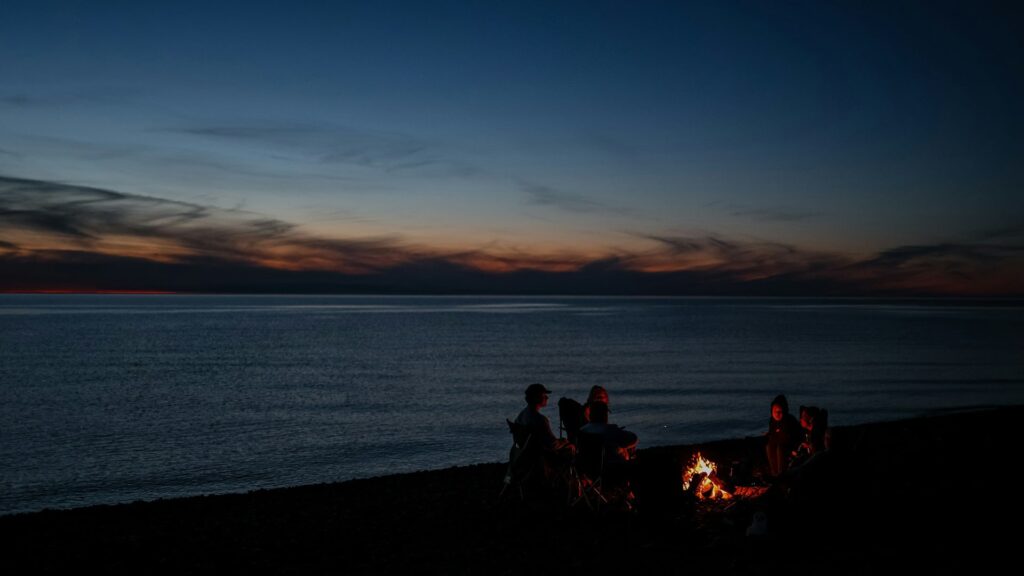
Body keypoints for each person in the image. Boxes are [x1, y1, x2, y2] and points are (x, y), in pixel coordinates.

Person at [765, 394, 801, 477]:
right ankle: (774, 473)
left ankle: (781, 475)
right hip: (778, 444)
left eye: (780, 412)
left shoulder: (789, 421)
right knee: (769, 446)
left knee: (780, 448)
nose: (778, 414)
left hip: (790, 445)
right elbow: (773, 435)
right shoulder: (772, 421)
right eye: (775, 412)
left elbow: (789, 437)